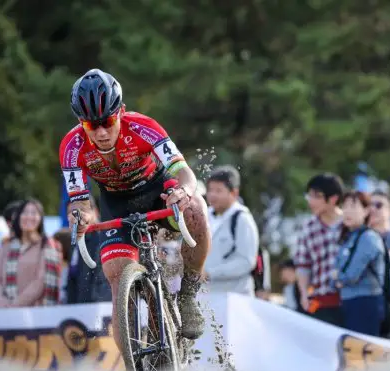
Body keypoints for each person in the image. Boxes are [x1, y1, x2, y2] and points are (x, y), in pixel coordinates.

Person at [60, 69, 211, 348]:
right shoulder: (72, 146)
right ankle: (136, 370)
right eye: (92, 126)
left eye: (107, 121)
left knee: (196, 210)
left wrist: (183, 192)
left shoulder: (143, 126)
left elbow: (185, 173)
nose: (102, 132)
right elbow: (81, 202)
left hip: (158, 190)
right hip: (117, 204)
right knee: (118, 277)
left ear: (122, 112)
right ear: (81, 123)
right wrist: (80, 216)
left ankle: (188, 293)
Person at [293, 173, 345, 327]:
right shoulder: (308, 227)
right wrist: (304, 293)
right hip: (321, 300)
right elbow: (303, 265)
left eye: (317, 196)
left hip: (348, 299)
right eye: (309, 196)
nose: (311, 201)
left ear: (333, 199)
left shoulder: (348, 224)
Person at [0, 199, 62, 308]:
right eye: (25, 212)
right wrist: (2, 303)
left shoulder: (47, 246)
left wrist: (15, 305)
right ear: (18, 217)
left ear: (40, 218)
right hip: (4, 312)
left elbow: (40, 281)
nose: (29, 216)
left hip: (36, 313)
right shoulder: (6, 246)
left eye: (34, 213)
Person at [334, 192, 386, 335]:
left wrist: (338, 278)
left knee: (363, 353)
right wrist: (338, 278)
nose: (347, 211)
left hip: (365, 302)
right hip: (348, 302)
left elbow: (351, 275)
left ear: (366, 211)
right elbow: (335, 274)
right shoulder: (348, 238)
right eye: (345, 206)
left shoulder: (368, 238)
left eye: (353, 206)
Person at [203, 165, 260, 296]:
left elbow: (246, 262)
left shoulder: (242, 219)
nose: (212, 195)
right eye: (210, 190)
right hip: (207, 296)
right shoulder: (204, 216)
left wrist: (210, 273)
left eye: (218, 190)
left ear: (234, 193)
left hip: (235, 298)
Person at [66, 196, 113, 304]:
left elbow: (103, 282)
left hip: (99, 309)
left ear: (94, 211)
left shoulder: (106, 237)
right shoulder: (74, 242)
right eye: (71, 212)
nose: (76, 216)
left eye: (81, 210)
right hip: (80, 311)